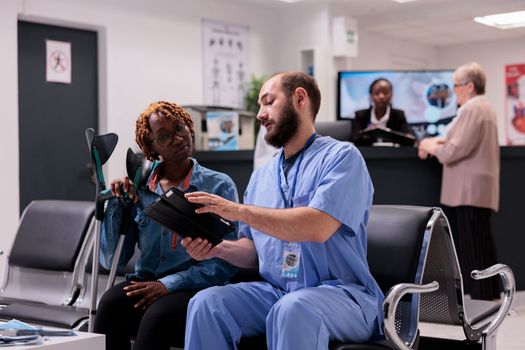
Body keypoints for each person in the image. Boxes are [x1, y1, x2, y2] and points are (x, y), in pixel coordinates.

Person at [182, 72, 384, 350]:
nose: (260, 114)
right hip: (279, 292)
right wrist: (218, 250)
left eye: (268, 102)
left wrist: (239, 211)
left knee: (293, 308)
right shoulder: (262, 175)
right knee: (207, 304)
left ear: (299, 98)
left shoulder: (343, 158)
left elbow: (317, 226)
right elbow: (253, 250)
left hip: (343, 295)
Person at [93, 101, 239, 350]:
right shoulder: (140, 187)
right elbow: (110, 261)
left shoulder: (218, 186)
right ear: (151, 146)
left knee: (158, 316)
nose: (178, 139)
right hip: (146, 281)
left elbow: (225, 264)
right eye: (164, 136)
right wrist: (118, 204)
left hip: (193, 287)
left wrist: (167, 285)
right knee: (109, 305)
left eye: (180, 128)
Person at [418, 62, 500, 300]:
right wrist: (434, 143)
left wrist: (428, 145)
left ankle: (482, 296)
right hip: (476, 188)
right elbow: (449, 138)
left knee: (473, 245)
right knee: (481, 242)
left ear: (470, 86)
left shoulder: (473, 109)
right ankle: (489, 292)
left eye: (456, 85)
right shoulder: (483, 108)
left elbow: (453, 149)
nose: (453, 91)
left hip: (469, 190)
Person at [351, 78, 414, 145]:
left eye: (385, 92)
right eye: (377, 93)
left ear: (391, 95)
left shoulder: (399, 115)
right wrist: (370, 133)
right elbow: (354, 138)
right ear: (371, 96)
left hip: (392, 153)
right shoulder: (360, 115)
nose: (381, 96)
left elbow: (409, 138)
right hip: (368, 154)